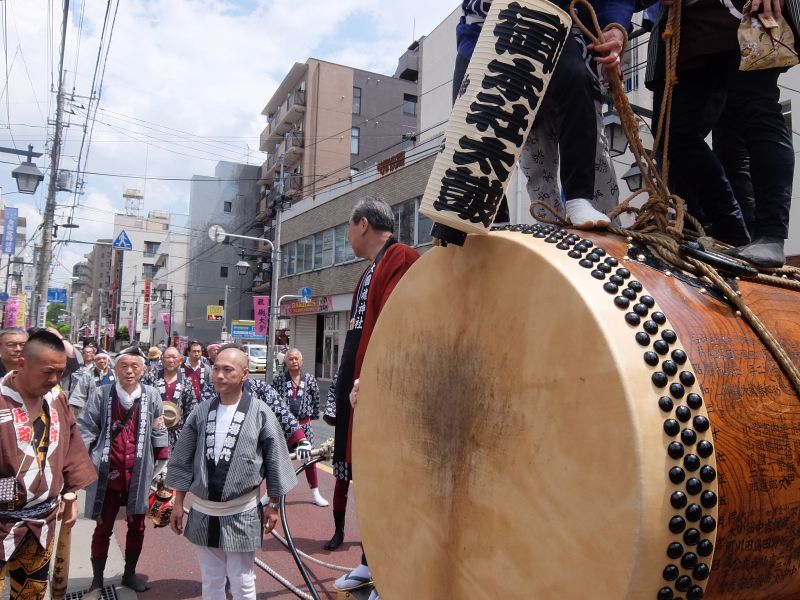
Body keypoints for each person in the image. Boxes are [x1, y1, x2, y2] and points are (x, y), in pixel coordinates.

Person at [453, 0, 634, 229]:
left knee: (596, 176)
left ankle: (584, 207)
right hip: (497, 47)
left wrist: (615, 26)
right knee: (535, 174)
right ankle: (499, 222)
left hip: (569, 43)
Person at [641, 0, 794, 266]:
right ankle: (729, 226)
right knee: (672, 132)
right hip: (685, 25)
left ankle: (771, 235)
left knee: (757, 112)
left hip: (746, 10)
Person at [332, 199, 419, 599]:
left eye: (348, 227)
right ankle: (370, 561)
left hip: (385, 392)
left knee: (389, 485)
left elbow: (397, 325)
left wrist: (372, 377)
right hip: (361, 394)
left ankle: (391, 573)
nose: (347, 235)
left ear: (363, 224)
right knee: (369, 484)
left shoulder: (401, 258)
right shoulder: (370, 269)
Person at [166, 347, 298, 600]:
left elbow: (275, 460)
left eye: (228, 370)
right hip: (204, 510)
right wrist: (178, 502)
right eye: (216, 368)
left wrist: (273, 505)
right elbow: (182, 459)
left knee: (242, 581)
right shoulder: (201, 411)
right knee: (211, 579)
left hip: (242, 511)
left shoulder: (260, 412)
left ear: (244, 374)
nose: (219, 375)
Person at [0, 330, 97, 600]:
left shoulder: (56, 398)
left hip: (42, 520)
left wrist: (70, 495)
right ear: (22, 364)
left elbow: (71, 444)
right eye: (47, 372)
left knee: (31, 592)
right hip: (2, 518)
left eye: (60, 372)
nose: (54, 379)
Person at [77, 345, 169, 595]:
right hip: (107, 472)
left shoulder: (151, 395)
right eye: (124, 366)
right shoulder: (101, 394)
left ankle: (129, 573)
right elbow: (85, 427)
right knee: (103, 527)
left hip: (138, 472)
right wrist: (81, 461)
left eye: (135, 366)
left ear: (143, 370)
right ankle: (97, 580)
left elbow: (159, 428)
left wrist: (162, 462)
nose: (129, 371)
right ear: (115, 369)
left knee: (137, 526)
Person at [271, 348, 327, 507]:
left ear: (301, 361)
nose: (294, 361)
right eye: (290, 359)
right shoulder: (279, 379)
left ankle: (315, 493)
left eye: (296, 359)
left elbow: (316, 400)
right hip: (284, 428)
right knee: (277, 460)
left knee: (310, 460)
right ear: (285, 362)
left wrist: (311, 418)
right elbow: (272, 400)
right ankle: (271, 493)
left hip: (304, 426)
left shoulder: (309, 379)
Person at [152, 346, 198, 449]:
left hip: (178, 433)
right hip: (154, 432)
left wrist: (187, 433)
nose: (171, 360)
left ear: (180, 360)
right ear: (162, 360)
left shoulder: (186, 383)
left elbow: (191, 410)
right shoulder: (151, 379)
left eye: (174, 357)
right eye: (168, 357)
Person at [69, 348, 115, 418]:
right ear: (95, 361)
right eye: (98, 359)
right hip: (93, 411)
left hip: (112, 409)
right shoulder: (88, 375)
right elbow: (80, 394)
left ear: (108, 360)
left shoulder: (115, 374)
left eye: (104, 358)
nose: (101, 361)